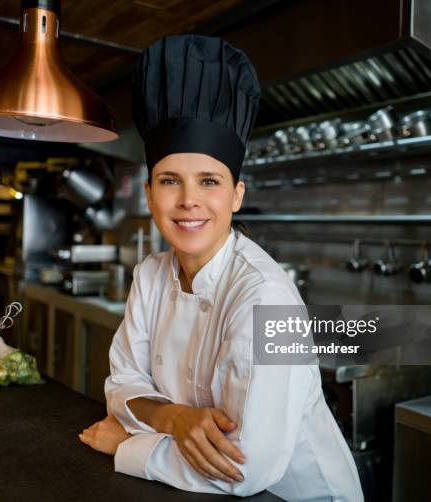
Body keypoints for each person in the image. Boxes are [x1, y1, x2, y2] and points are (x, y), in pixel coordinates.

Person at [79, 35, 363, 502]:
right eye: (170, 181)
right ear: (149, 194)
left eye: (209, 182)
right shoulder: (150, 275)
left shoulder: (265, 297)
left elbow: (243, 470)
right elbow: (122, 386)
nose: (188, 200)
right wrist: (173, 419)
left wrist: (129, 444)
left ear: (236, 195)